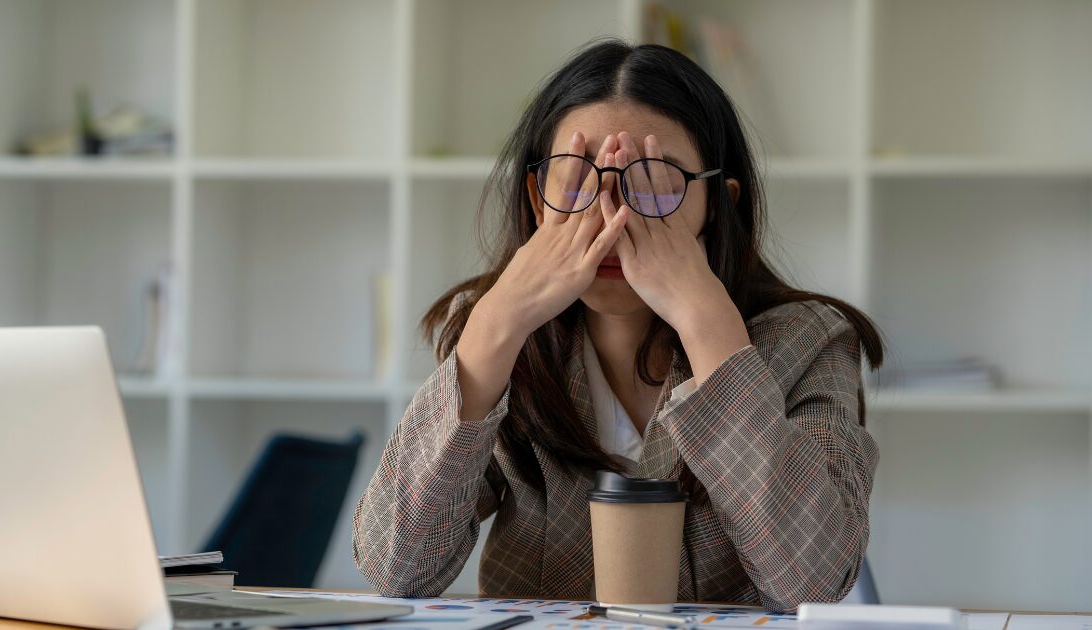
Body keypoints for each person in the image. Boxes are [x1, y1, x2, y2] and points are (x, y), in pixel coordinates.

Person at [352, 39, 884, 613]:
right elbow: (395, 567)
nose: (611, 215)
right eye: (577, 177)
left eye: (653, 181)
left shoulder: (810, 340)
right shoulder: (499, 337)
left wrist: (712, 332)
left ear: (718, 205)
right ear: (537, 198)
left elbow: (815, 583)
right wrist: (494, 328)